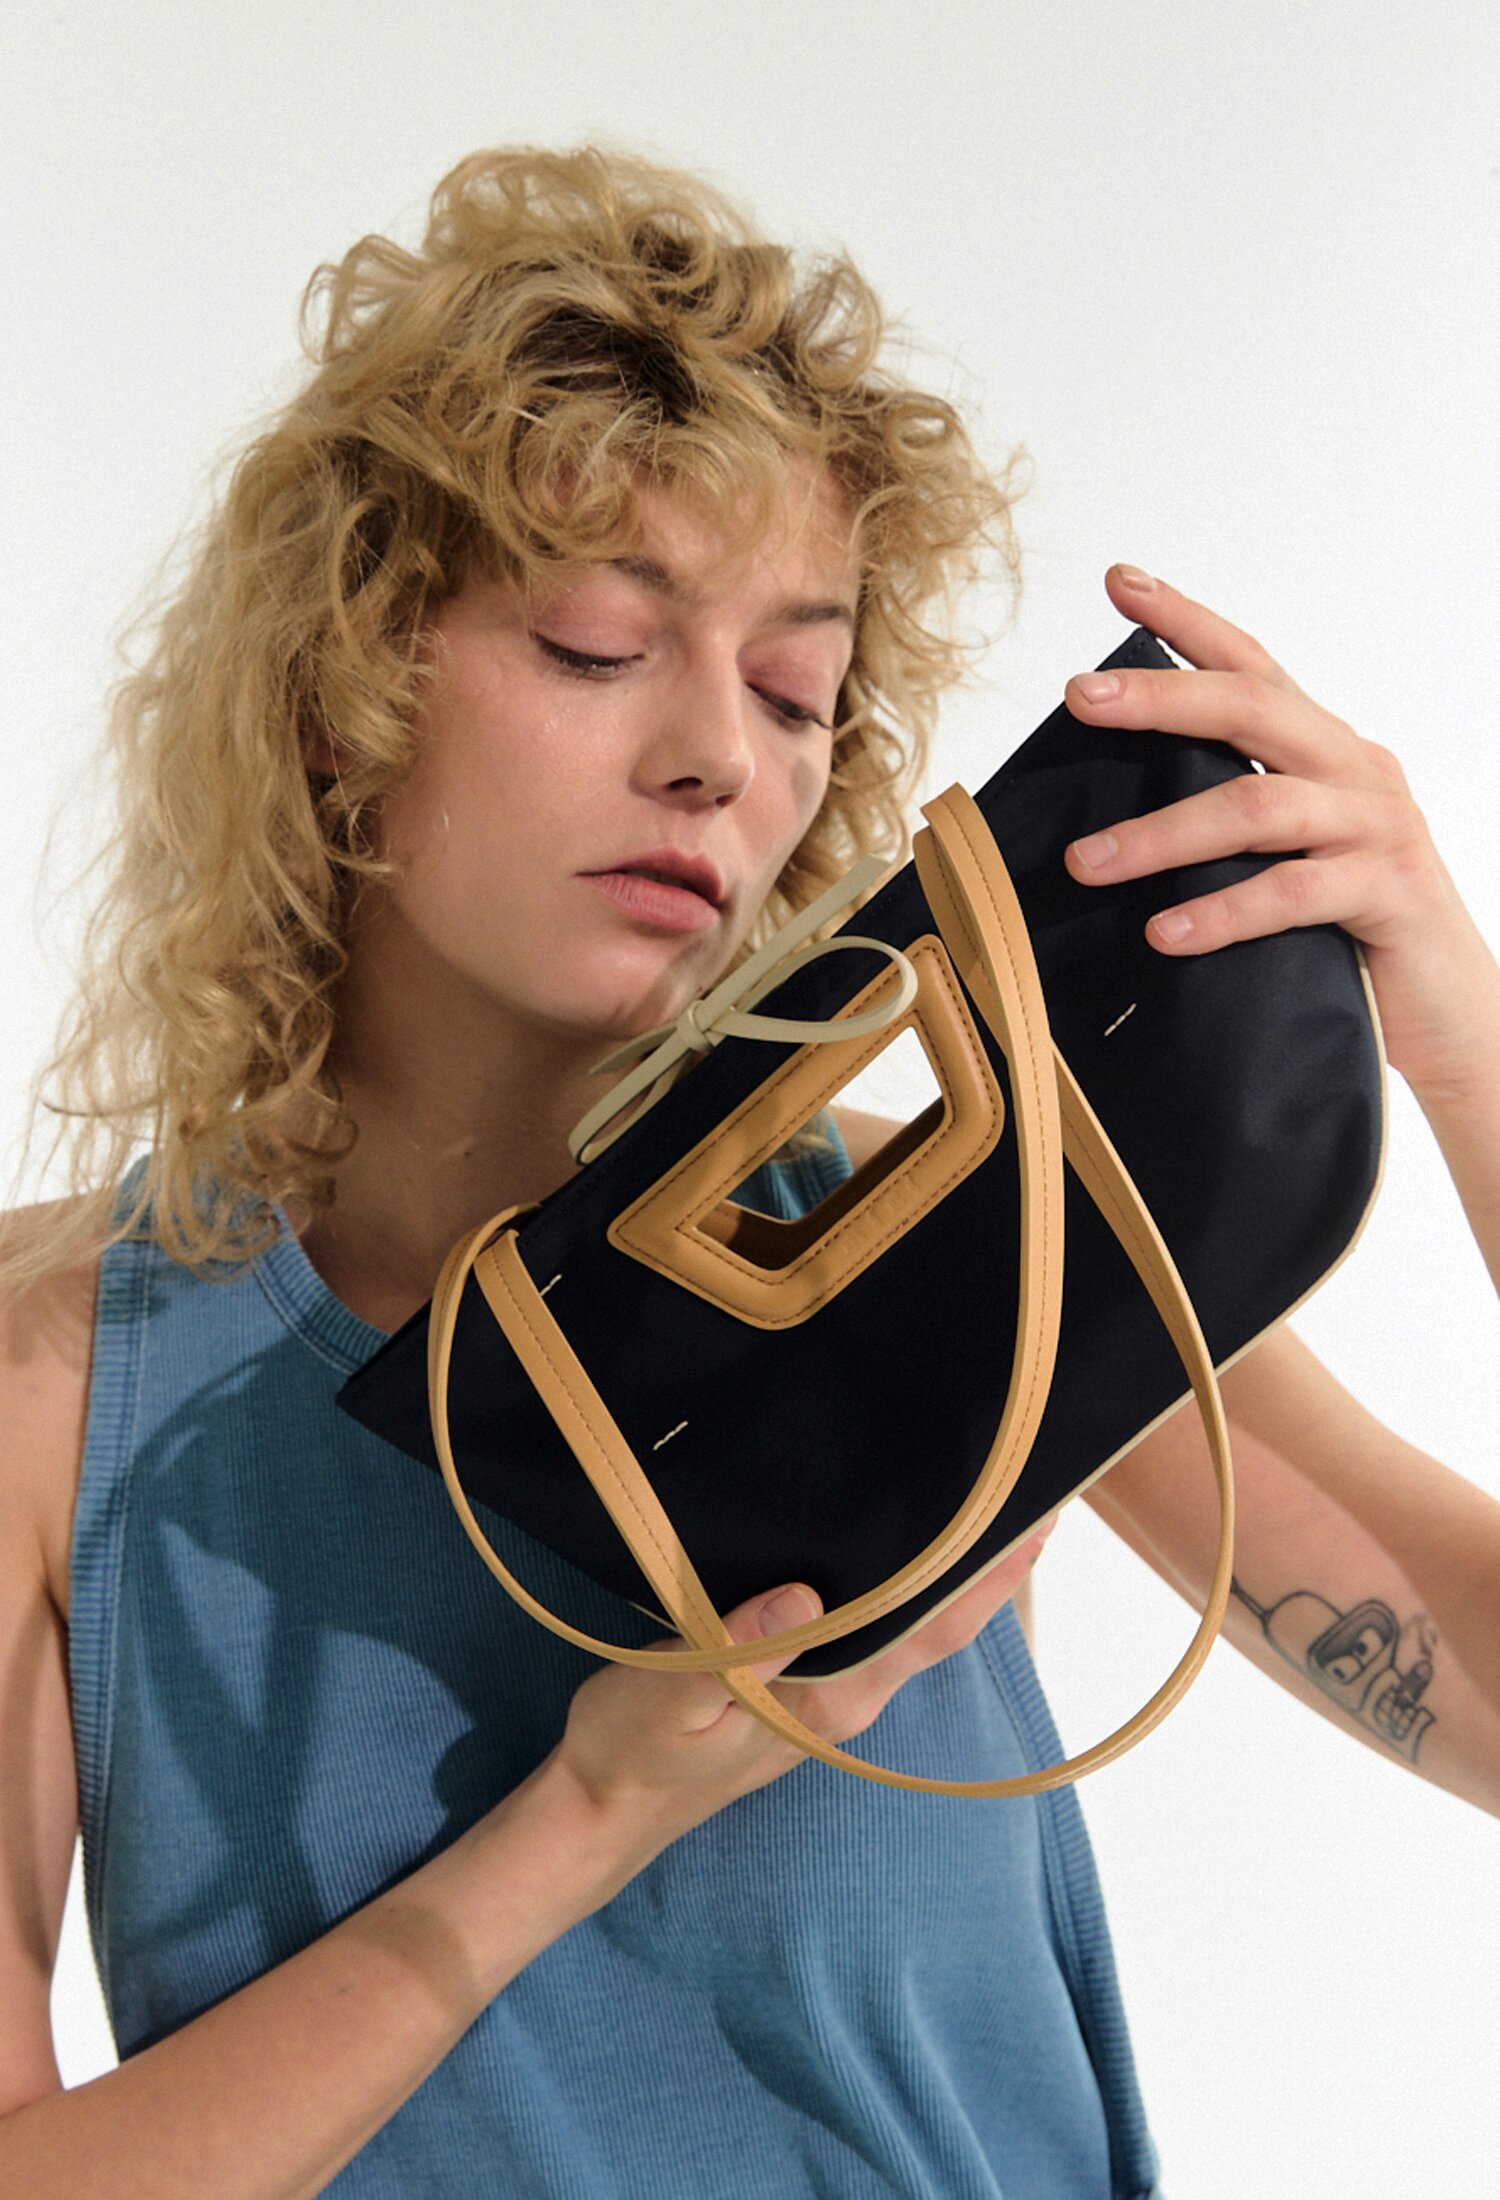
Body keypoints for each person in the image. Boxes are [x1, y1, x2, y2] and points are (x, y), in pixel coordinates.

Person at [0, 143, 1496, 2199]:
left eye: (797, 688)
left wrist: (1465, 1056)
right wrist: (585, 1819)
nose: (720, 753)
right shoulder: (61, 1377)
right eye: (598, 643)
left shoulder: (974, 1225)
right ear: (341, 696)